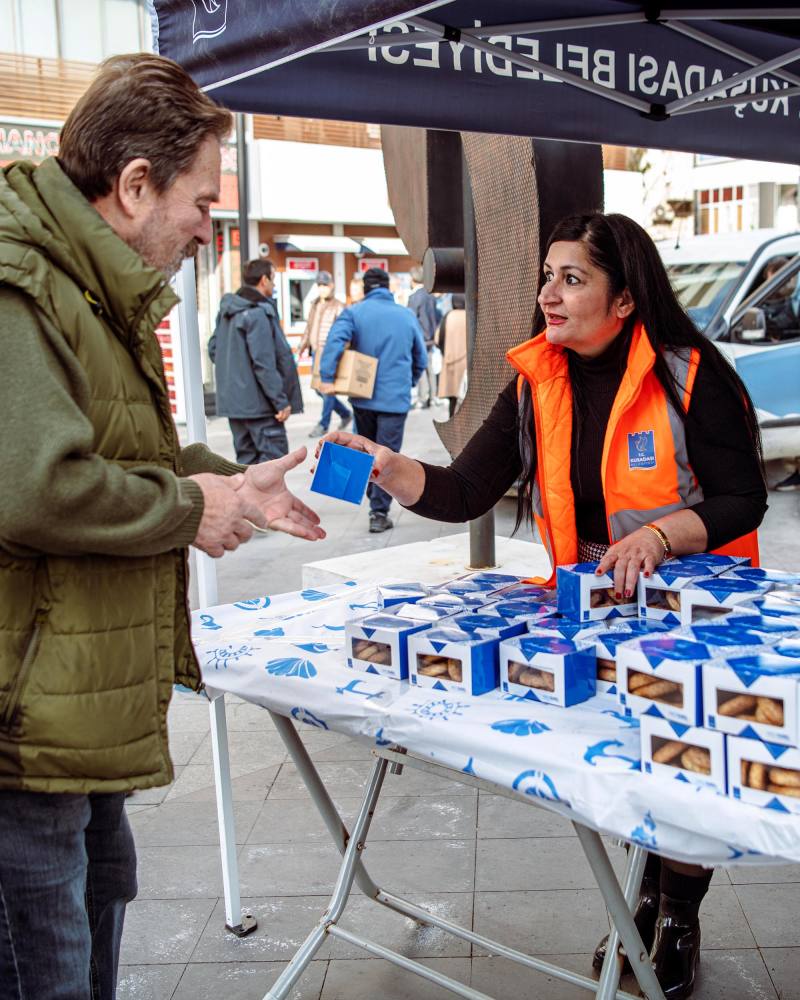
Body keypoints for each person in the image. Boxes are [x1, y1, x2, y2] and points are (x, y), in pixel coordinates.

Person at [321, 213, 767, 998]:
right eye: (547, 277)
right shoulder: (535, 380)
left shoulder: (690, 374)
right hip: (589, 605)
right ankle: (642, 891)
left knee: (681, 767)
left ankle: (679, 915)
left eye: (572, 279)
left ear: (624, 300)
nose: (548, 296)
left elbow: (744, 499)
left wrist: (662, 538)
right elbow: (464, 491)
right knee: (622, 763)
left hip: (693, 613)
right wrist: (391, 469)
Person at [0, 53, 325, 1000]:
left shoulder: (90, 279)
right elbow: (36, 487)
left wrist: (232, 482)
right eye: (200, 200)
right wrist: (192, 508)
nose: (205, 226)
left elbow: (114, 443)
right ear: (135, 185)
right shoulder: (23, 282)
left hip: (76, 702)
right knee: (46, 964)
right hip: (27, 722)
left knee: (94, 918)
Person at [319, 266, 427, 534]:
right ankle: (378, 512)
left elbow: (335, 341)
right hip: (395, 399)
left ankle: (369, 490)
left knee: (364, 449)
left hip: (362, 398)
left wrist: (327, 375)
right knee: (387, 454)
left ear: (366, 289)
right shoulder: (406, 315)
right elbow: (421, 358)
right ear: (388, 288)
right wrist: (409, 381)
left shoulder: (354, 313)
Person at [209, 257, 302, 463]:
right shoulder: (257, 313)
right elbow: (264, 363)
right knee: (273, 469)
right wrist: (280, 401)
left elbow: (214, 349)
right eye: (273, 278)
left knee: (247, 468)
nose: (274, 284)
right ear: (263, 280)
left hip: (236, 405)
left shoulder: (228, 311)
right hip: (261, 406)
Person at [298, 270, 351, 438]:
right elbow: (309, 328)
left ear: (331, 286)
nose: (322, 288)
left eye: (325, 285)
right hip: (315, 351)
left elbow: (344, 332)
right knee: (318, 390)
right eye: (319, 285)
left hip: (328, 353)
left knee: (326, 389)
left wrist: (340, 351)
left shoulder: (338, 306)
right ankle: (345, 414)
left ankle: (323, 424)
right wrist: (302, 345)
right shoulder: (314, 304)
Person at [407, 264, 440, 407]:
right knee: (430, 368)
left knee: (421, 367)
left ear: (413, 279)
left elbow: (411, 319)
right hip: (431, 337)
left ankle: (422, 397)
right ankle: (433, 396)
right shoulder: (430, 296)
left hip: (420, 338)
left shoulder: (414, 297)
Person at [435, 292, 467, 418]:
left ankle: (453, 422)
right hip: (466, 364)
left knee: (453, 399)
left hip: (450, 364)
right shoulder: (469, 315)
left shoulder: (448, 316)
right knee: (465, 397)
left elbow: (438, 339)